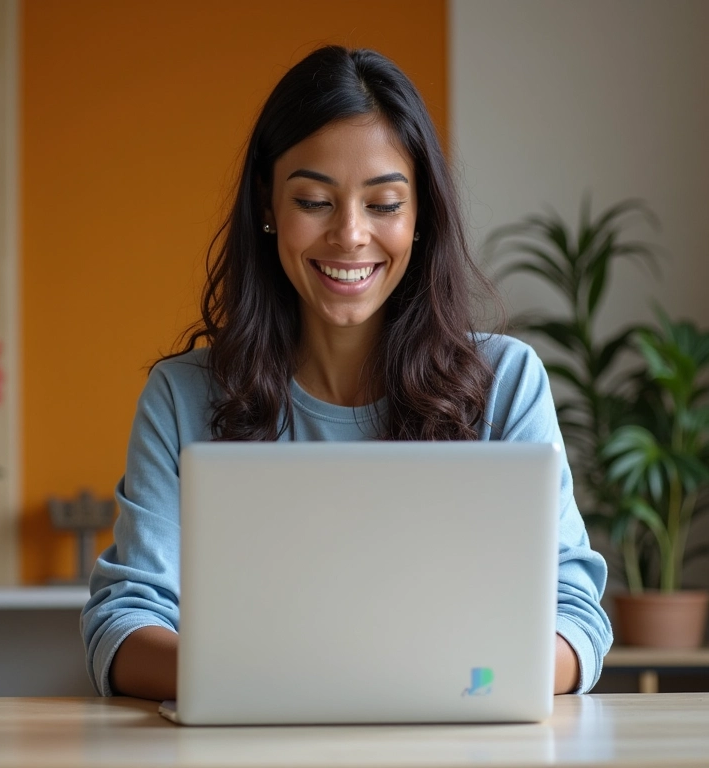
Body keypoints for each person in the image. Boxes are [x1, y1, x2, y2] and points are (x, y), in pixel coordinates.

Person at [81, 45, 612, 701]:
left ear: (420, 216)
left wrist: (447, 685)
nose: (351, 235)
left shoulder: (505, 382)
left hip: (455, 733)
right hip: (249, 741)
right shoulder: (182, 397)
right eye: (314, 200)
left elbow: (574, 615)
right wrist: (296, 684)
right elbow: (123, 624)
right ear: (267, 205)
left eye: (384, 204)